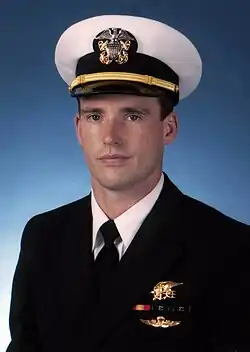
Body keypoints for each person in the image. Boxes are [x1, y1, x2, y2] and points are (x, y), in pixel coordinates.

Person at [6, 14, 250, 352]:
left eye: (132, 116)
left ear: (168, 128)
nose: (110, 137)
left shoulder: (231, 248)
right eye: (95, 116)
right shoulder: (43, 236)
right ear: (79, 129)